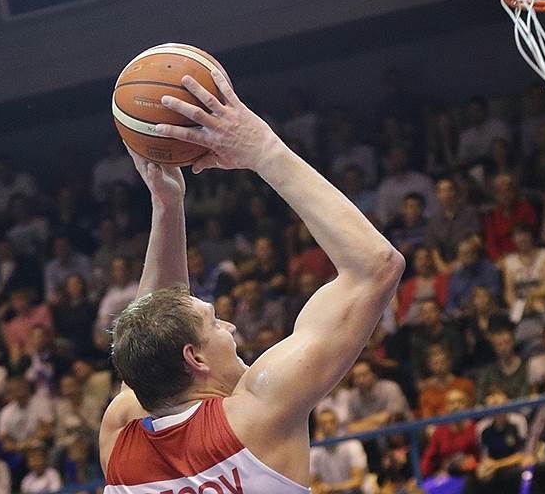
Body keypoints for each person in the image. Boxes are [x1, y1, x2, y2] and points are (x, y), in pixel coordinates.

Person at [99, 71, 405, 492]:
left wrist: (167, 205)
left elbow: (149, 348)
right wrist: (262, 149)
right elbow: (376, 266)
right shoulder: (260, 412)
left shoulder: (119, 440)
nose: (229, 327)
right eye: (214, 322)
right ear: (195, 358)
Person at [309, 409, 367, 494]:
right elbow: (312, 482)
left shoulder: (352, 445)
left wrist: (332, 488)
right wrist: (320, 489)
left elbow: (358, 480)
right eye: (323, 423)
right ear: (318, 427)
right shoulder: (314, 451)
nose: (328, 426)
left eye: (332, 422)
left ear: (338, 424)